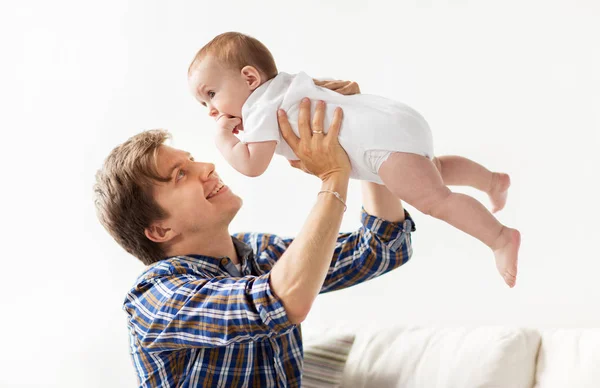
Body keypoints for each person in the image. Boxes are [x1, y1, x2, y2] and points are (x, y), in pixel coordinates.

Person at [94, 98, 416, 387]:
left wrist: (359, 141)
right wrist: (333, 177)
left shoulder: (257, 253)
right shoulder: (155, 298)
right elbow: (281, 300)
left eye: (192, 161)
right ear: (160, 230)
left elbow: (380, 250)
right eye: (180, 175)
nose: (207, 167)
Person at [187, 31, 521, 288]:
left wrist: (224, 139)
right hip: (392, 120)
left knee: (437, 200)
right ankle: (492, 181)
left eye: (211, 95)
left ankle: (499, 237)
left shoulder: (258, 108)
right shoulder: (286, 86)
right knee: (436, 170)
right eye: (204, 106)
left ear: (249, 79)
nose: (212, 110)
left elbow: (251, 165)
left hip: (380, 146)